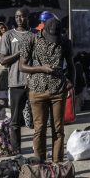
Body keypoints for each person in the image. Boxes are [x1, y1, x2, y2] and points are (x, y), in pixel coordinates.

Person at [20, 17, 73, 162]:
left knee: (58, 129)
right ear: (43, 29)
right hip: (37, 90)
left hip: (58, 89)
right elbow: (22, 66)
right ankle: (40, 164)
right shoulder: (31, 39)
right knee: (39, 129)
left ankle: (57, 165)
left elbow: (71, 64)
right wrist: (41, 68)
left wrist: (72, 83)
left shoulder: (65, 42)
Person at [0, 10, 32, 148]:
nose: (19, 18)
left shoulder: (34, 35)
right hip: (16, 82)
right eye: (17, 16)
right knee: (15, 119)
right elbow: (3, 60)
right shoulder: (8, 35)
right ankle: (16, 151)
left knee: (37, 119)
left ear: (27, 17)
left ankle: (39, 152)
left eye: (22, 15)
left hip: (34, 83)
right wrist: (19, 53)